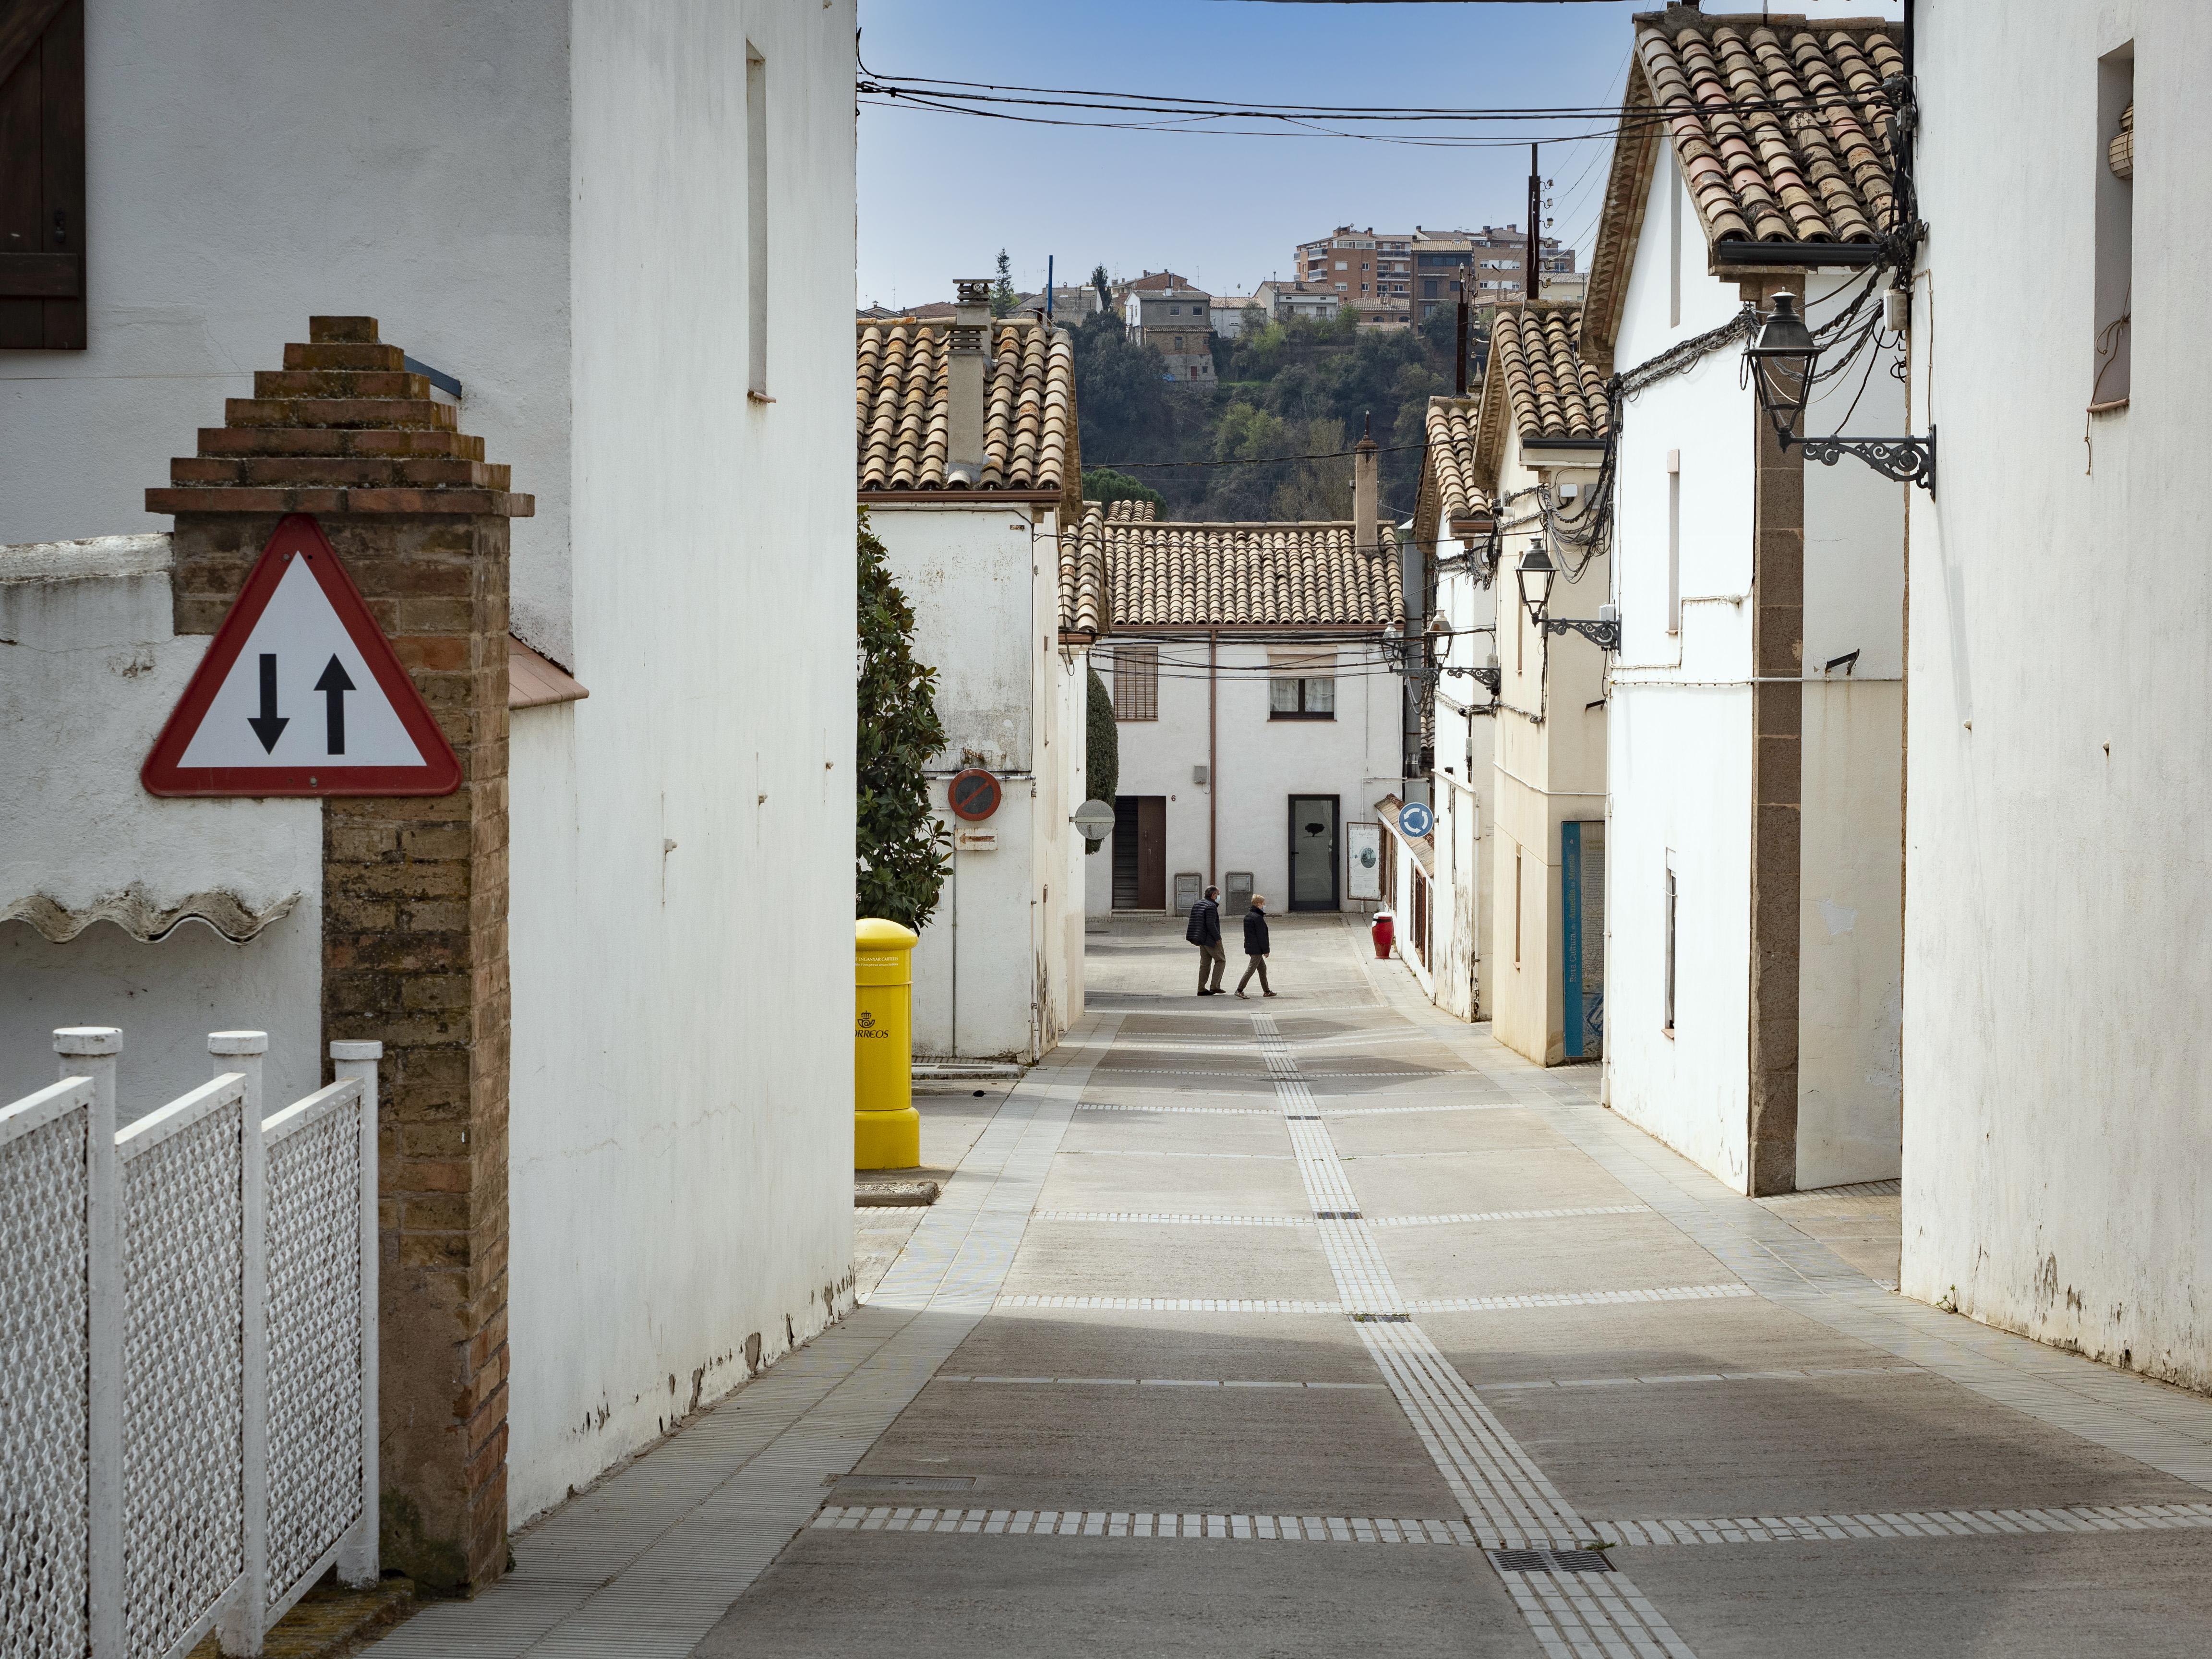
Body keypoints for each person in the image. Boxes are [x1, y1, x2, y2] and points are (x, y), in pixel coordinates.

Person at [1185, 884, 1226, 995]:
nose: (1219, 897)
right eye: (1218, 894)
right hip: (1210, 940)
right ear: (1213, 895)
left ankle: (1201, 988)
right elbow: (1211, 924)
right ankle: (1215, 986)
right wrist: (1218, 939)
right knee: (1221, 960)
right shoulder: (1211, 906)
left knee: (1205, 963)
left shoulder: (1198, 904)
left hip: (1201, 939)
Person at [1235, 895, 1276, 998]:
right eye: (1263, 904)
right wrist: (1266, 950)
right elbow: (1262, 936)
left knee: (1263, 968)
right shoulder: (1258, 918)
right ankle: (1239, 990)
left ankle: (1267, 991)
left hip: (1250, 946)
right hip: (1256, 949)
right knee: (1251, 969)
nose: (1264, 906)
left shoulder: (1248, 916)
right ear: (1259, 905)